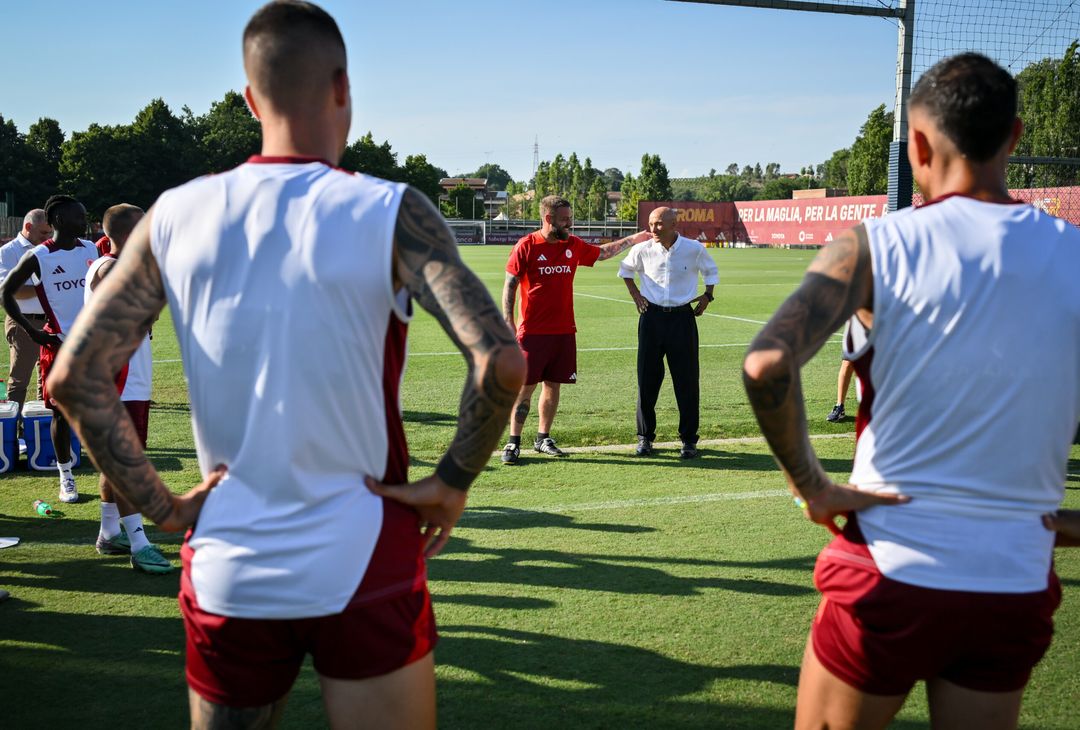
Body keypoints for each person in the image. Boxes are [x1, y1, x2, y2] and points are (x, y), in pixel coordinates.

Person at [49, 2, 524, 728]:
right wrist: (451, 482)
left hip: (229, 562)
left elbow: (74, 379)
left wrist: (164, 507)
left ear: (248, 98)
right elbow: (500, 361)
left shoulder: (174, 214)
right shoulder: (393, 209)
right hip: (366, 552)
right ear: (343, 87)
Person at [742, 53, 1080, 730]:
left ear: (917, 145)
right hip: (1012, 579)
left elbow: (767, 364)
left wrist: (814, 486)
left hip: (889, 569)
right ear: (1015, 138)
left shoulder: (875, 245)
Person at [500, 195, 648, 464]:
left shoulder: (573, 245)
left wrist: (633, 239)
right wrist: (509, 322)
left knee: (553, 385)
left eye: (570, 218)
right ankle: (513, 442)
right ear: (548, 219)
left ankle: (543, 437)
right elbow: (510, 284)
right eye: (565, 219)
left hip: (564, 331)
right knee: (526, 388)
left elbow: (602, 253)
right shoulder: (527, 246)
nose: (571, 223)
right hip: (532, 332)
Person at [85, 203, 172, 574]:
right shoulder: (111, 268)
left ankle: (109, 532)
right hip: (116, 378)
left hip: (128, 376)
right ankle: (139, 543)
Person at [1, 195, 97, 503]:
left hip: (93, 346)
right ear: (58, 222)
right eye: (78, 217)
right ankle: (65, 477)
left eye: (84, 216)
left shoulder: (90, 249)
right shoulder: (40, 256)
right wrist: (33, 332)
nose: (84, 222)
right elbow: (6, 292)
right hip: (58, 347)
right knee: (61, 414)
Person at [618, 206, 719, 459]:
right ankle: (645, 438)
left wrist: (708, 296)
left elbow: (711, 272)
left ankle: (688, 440)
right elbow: (625, 271)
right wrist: (636, 295)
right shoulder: (641, 249)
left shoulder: (693, 249)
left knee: (686, 381)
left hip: (682, 320)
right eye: (651, 223)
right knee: (646, 380)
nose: (653, 229)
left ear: (675, 224)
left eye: (659, 224)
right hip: (651, 318)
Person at [0, 209, 51, 424]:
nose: (48, 237)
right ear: (28, 227)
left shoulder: (49, 249)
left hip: (51, 321)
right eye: (43, 233)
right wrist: (44, 286)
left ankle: (43, 427)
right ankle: (12, 431)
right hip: (23, 321)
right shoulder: (8, 252)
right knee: (19, 380)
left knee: (47, 379)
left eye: (50, 233)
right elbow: (8, 290)